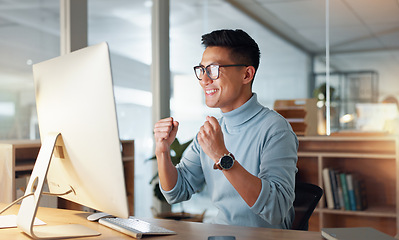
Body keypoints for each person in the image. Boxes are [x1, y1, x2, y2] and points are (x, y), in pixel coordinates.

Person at [153, 29, 298, 229]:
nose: (204, 80)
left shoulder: (276, 129)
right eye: (202, 70)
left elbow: (276, 210)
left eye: (213, 69)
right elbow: (176, 192)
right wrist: (162, 151)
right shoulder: (212, 131)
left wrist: (222, 156)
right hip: (220, 233)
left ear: (247, 74)